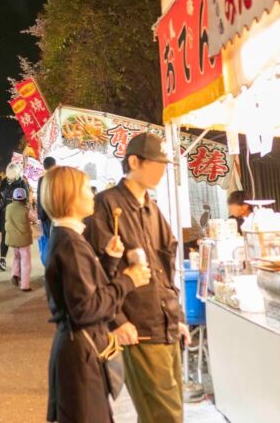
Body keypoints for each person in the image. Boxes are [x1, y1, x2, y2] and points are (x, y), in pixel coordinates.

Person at [84, 132, 188, 423]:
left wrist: (177, 317)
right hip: (137, 327)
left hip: (165, 323)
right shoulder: (106, 205)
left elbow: (167, 267)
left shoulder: (152, 208)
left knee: (170, 409)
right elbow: (94, 271)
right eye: (156, 163)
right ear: (134, 161)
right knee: (164, 415)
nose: (162, 170)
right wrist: (117, 320)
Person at [43, 166, 151, 422]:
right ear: (70, 197)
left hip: (77, 350)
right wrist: (128, 279)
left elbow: (83, 287)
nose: (92, 194)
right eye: (86, 189)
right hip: (80, 355)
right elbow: (86, 308)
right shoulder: (71, 244)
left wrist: (110, 261)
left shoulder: (68, 238)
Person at [0, 165, 29, 271]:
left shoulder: (21, 183)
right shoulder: (4, 182)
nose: (10, 175)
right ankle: (2, 260)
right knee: (5, 237)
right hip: (5, 213)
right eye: (8, 172)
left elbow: (26, 198)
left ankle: (20, 262)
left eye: (12, 172)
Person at [5, 187, 35, 291]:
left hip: (13, 238)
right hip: (23, 239)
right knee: (26, 261)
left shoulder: (9, 207)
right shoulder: (26, 209)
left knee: (16, 257)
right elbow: (34, 218)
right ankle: (25, 285)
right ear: (24, 198)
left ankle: (15, 274)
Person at [36, 157, 57, 266]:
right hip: (58, 215)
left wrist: (40, 215)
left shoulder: (42, 180)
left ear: (44, 166)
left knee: (48, 239)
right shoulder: (60, 178)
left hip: (46, 215)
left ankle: (49, 265)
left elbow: (40, 198)